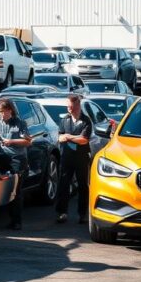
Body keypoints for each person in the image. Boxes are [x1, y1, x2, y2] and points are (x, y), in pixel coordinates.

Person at [0, 98, 32, 230]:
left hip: (18, 157)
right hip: (3, 156)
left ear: (10, 110)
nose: (2, 115)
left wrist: (11, 141)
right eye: (0, 112)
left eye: (4, 112)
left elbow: (28, 142)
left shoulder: (20, 123)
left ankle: (16, 221)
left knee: (16, 190)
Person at [55, 94, 93, 224]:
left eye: (71, 106)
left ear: (78, 105)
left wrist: (69, 137)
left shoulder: (86, 120)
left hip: (81, 158)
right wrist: (66, 137)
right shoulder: (65, 120)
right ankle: (62, 212)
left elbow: (83, 140)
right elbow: (59, 137)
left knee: (83, 185)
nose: (69, 109)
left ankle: (82, 214)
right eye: (67, 106)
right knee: (63, 184)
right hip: (67, 157)